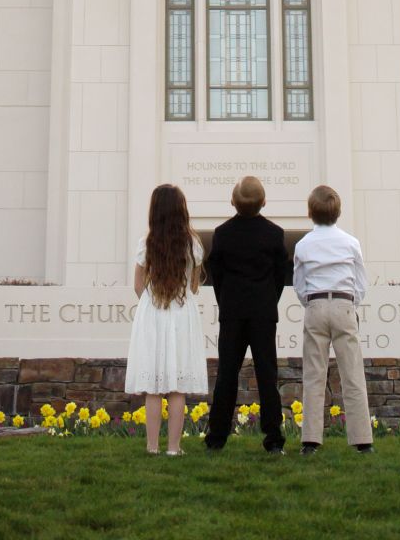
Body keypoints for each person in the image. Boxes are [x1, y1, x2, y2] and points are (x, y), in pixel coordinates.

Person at [204, 175, 293, 454]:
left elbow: (215, 274)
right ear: (264, 202)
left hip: (232, 312)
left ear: (232, 201)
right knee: (267, 372)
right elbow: (282, 275)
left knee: (227, 373)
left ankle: (216, 437)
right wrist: (268, 300)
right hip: (263, 312)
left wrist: (226, 301)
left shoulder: (222, 234)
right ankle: (273, 438)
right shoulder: (275, 234)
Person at [125, 183, 208, 456]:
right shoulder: (193, 244)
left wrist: (152, 301)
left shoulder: (145, 243)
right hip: (182, 313)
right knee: (176, 386)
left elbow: (138, 285)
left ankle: (151, 447)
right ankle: (174, 447)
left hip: (154, 311)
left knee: (153, 386)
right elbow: (194, 286)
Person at [292, 184, 372, 454]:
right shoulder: (350, 242)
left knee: (314, 375)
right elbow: (361, 282)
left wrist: (312, 303)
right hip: (343, 304)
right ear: (338, 212)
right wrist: (349, 303)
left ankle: (311, 441)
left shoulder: (303, 245)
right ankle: (362, 441)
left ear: (310, 213)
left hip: (315, 305)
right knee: (352, 374)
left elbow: (299, 284)